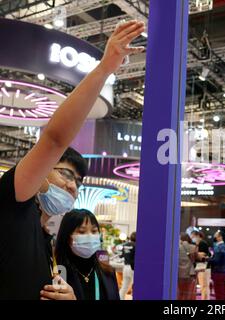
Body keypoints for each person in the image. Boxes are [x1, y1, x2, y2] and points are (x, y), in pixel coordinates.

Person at [0, 20, 144, 300]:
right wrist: (104, 68)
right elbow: (55, 138)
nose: (72, 186)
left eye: (78, 181)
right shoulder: (13, 204)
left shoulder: (45, 239)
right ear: (41, 172)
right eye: (66, 174)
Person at [54, 209, 119, 300]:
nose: (90, 236)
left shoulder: (107, 270)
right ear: (67, 237)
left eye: (94, 231)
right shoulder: (58, 272)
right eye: (81, 232)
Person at [207, 231, 225, 300]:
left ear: (220, 237)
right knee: (223, 293)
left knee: (218, 293)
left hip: (218, 272)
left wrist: (207, 259)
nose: (214, 237)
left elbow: (216, 260)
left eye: (216, 235)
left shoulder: (218, 247)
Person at [190, 231, 211, 300]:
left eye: (193, 236)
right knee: (201, 286)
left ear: (198, 236)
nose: (192, 238)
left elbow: (204, 255)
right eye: (191, 237)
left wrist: (196, 254)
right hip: (198, 267)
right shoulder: (195, 244)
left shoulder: (203, 243)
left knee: (204, 286)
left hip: (204, 267)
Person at [178, 233, 198, 300]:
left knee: (179, 293)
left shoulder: (177, 247)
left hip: (179, 273)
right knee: (189, 293)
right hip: (190, 273)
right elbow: (195, 259)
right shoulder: (193, 247)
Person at [119, 232, 136, 300]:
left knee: (124, 287)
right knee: (135, 286)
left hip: (125, 267)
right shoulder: (136, 245)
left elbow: (121, 255)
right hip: (133, 268)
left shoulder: (125, 245)